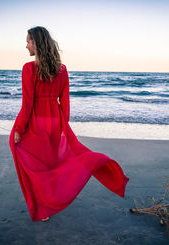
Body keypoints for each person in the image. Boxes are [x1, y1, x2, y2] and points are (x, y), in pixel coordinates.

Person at [9, 26, 129, 222]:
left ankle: (44, 207)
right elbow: (65, 103)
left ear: (37, 43)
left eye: (28, 41)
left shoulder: (28, 68)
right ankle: (50, 201)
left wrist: (20, 129)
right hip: (55, 122)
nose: (26, 45)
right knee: (52, 164)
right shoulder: (62, 70)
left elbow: (28, 103)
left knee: (32, 163)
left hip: (36, 123)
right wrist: (62, 126)